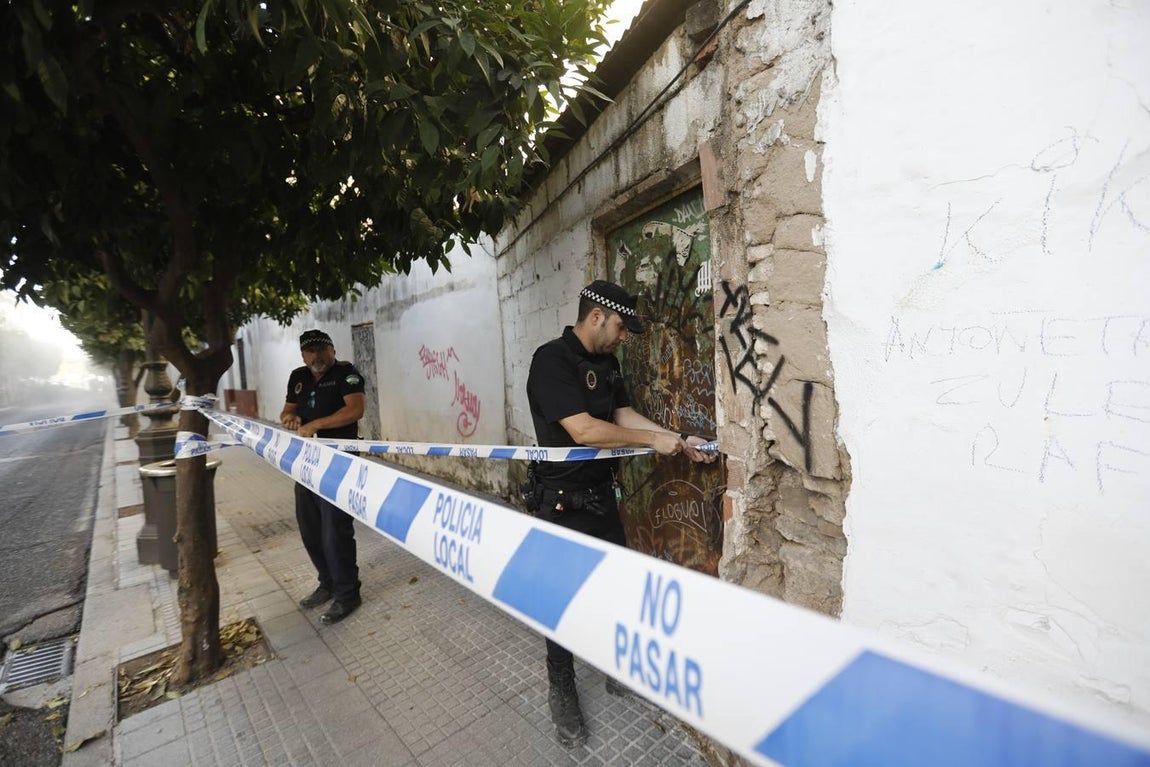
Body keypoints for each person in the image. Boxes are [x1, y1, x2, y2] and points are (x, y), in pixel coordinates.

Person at [525, 280, 715, 747]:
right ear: (595, 317)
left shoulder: (607, 364)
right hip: (561, 503)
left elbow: (624, 415)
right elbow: (584, 431)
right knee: (560, 596)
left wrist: (676, 438)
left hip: (600, 496)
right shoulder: (550, 361)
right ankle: (561, 684)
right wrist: (653, 443)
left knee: (613, 581)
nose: (623, 337)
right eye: (619, 327)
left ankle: (614, 666)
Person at [279, 329, 367, 625]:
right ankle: (327, 583)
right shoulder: (298, 377)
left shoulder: (347, 374)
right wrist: (290, 420)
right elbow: (288, 411)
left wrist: (316, 423)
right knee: (310, 527)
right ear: (303, 355)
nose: (316, 356)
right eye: (310, 351)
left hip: (339, 463)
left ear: (332, 349)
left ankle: (347, 593)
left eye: (321, 350)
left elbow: (355, 411)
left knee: (335, 530)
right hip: (306, 462)